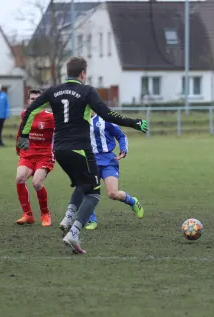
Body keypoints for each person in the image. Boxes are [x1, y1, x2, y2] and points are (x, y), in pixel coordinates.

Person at [18, 56, 148, 254]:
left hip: (59, 151)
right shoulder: (87, 91)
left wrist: (24, 135)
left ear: (67, 72)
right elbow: (107, 114)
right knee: (94, 194)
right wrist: (134, 122)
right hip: (80, 150)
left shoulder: (54, 91)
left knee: (82, 184)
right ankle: (74, 232)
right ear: (83, 74)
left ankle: (68, 217)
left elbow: (31, 109)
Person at [84, 111, 144, 230]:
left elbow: (121, 136)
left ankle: (133, 202)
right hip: (90, 161)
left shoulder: (105, 119)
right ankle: (92, 220)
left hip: (108, 160)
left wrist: (123, 150)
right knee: (88, 191)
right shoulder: (79, 121)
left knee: (113, 194)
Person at [14, 89, 56, 227]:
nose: (35, 101)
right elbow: (21, 131)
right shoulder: (25, 114)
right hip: (28, 154)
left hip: (44, 155)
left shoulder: (51, 117)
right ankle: (28, 215)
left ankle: (45, 214)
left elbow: (61, 132)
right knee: (20, 178)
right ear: (28, 101)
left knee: (37, 183)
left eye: (39, 99)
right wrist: (18, 147)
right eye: (32, 99)